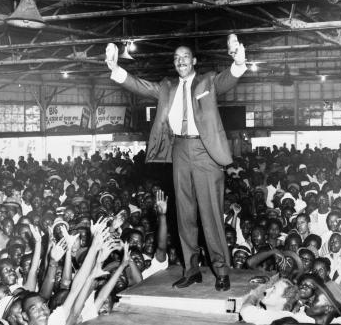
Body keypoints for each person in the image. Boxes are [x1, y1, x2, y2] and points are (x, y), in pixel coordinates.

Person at [105, 35, 247, 291]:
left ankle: (221, 270)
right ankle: (191, 270)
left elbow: (228, 78)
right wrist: (116, 70)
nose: (180, 61)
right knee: (184, 214)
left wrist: (238, 61)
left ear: (194, 60)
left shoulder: (207, 81)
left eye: (185, 57)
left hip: (205, 150)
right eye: (176, 58)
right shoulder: (167, 87)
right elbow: (140, 86)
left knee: (210, 214)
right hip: (179, 149)